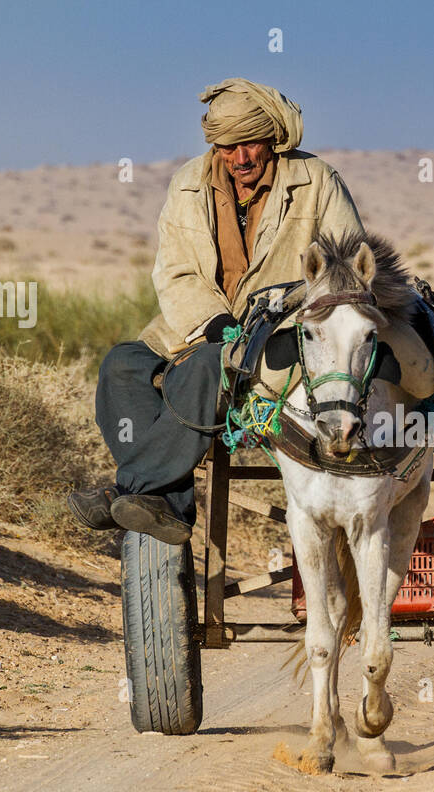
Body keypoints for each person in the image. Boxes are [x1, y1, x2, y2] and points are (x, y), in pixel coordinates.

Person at [67, 78, 363, 544]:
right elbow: (175, 272)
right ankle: (168, 504)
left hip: (281, 335)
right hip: (200, 324)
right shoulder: (187, 184)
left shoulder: (317, 181)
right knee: (121, 366)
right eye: (227, 146)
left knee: (205, 367)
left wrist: (278, 313)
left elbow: (345, 273)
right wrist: (214, 322)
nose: (240, 158)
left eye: (249, 143)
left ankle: (132, 490)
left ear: (273, 138)